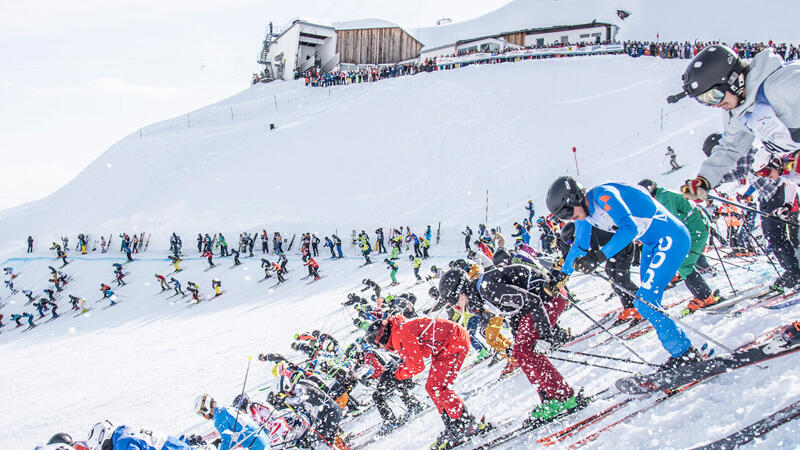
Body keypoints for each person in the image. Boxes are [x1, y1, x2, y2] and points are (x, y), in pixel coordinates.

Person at [547, 176, 700, 368]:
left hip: (670, 238)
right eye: (563, 217)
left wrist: (598, 257)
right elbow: (580, 246)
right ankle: (683, 351)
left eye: (568, 213)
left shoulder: (604, 196)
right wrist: (560, 277)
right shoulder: (586, 215)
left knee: (646, 301)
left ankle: (685, 353)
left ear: (576, 198)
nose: (569, 219)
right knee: (643, 303)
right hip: (653, 244)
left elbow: (629, 229)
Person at [672, 44, 800, 201]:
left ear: (733, 80)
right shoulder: (740, 113)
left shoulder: (781, 85)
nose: (713, 104)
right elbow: (730, 148)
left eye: (714, 96)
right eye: (703, 101)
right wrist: (704, 180)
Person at [365, 316, 489, 448]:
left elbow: (416, 366)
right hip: (447, 344)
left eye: (378, 345)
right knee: (432, 387)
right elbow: (417, 352)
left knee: (437, 387)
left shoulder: (399, 335)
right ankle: (453, 424)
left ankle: (465, 423)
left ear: (381, 336)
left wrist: (396, 376)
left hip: (453, 342)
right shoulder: (399, 331)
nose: (382, 349)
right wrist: (398, 371)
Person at [639, 179, 717, 311]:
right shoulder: (662, 195)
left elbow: (670, 222)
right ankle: (703, 294)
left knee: (684, 265)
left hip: (695, 229)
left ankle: (705, 297)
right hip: (693, 228)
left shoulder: (664, 197)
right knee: (684, 262)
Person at [559, 223, 642, 324]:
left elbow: (594, 251)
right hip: (613, 250)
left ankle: (643, 304)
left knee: (622, 280)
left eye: (570, 240)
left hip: (624, 246)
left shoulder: (590, 231)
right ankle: (629, 307)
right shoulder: (585, 235)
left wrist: (585, 261)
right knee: (613, 279)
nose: (571, 243)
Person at [194, 394, 271, 450]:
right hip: (262, 439)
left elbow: (227, 439)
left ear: (206, 408)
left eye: (202, 413)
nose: (204, 416)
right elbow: (234, 439)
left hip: (254, 444)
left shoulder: (219, 416)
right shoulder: (227, 409)